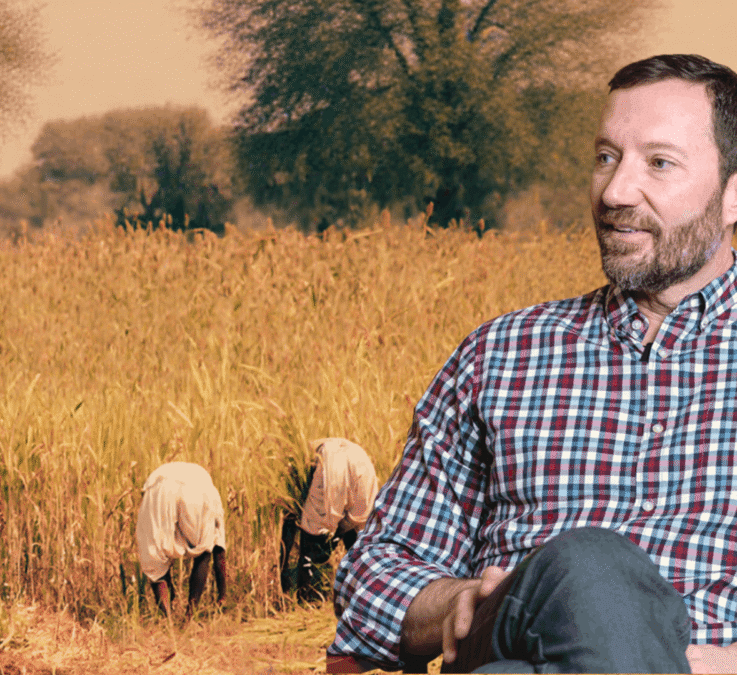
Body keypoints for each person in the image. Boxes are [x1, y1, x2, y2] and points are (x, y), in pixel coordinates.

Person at [328, 53, 737, 675]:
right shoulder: (500, 355)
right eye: (606, 157)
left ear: (734, 194)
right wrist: (453, 601)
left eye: (659, 162)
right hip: (510, 630)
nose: (617, 192)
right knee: (587, 565)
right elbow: (373, 578)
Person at [279, 438, 378, 602]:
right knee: (357, 538)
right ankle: (365, 596)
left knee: (311, 543)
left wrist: (284, 564)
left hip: (331, 462)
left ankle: (309, 598)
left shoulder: (297, 461)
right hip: (363, 462)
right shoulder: (317, 450)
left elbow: (291, 520)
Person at [136, 462, 227, 617]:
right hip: (199, 489)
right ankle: (190, 615)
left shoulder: (161, 477)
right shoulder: (212, 494)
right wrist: (222, 595)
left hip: (158, 488)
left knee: (155, 557)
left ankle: (167, 619)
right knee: (204, 551)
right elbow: (218, 551)